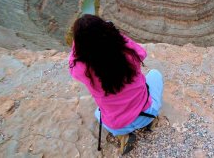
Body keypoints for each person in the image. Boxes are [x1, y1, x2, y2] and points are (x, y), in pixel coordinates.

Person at [68, 14, 163, 154]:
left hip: (116, 126)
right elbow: (142, 53)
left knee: (97, 113)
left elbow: (72, 60)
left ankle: (125, 136)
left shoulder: (82, 69)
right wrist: (113, 33)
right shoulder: (126, 51)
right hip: (146, 114)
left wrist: (79, 41)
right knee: (155, 74)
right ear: (106, 31)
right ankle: (150, 123)